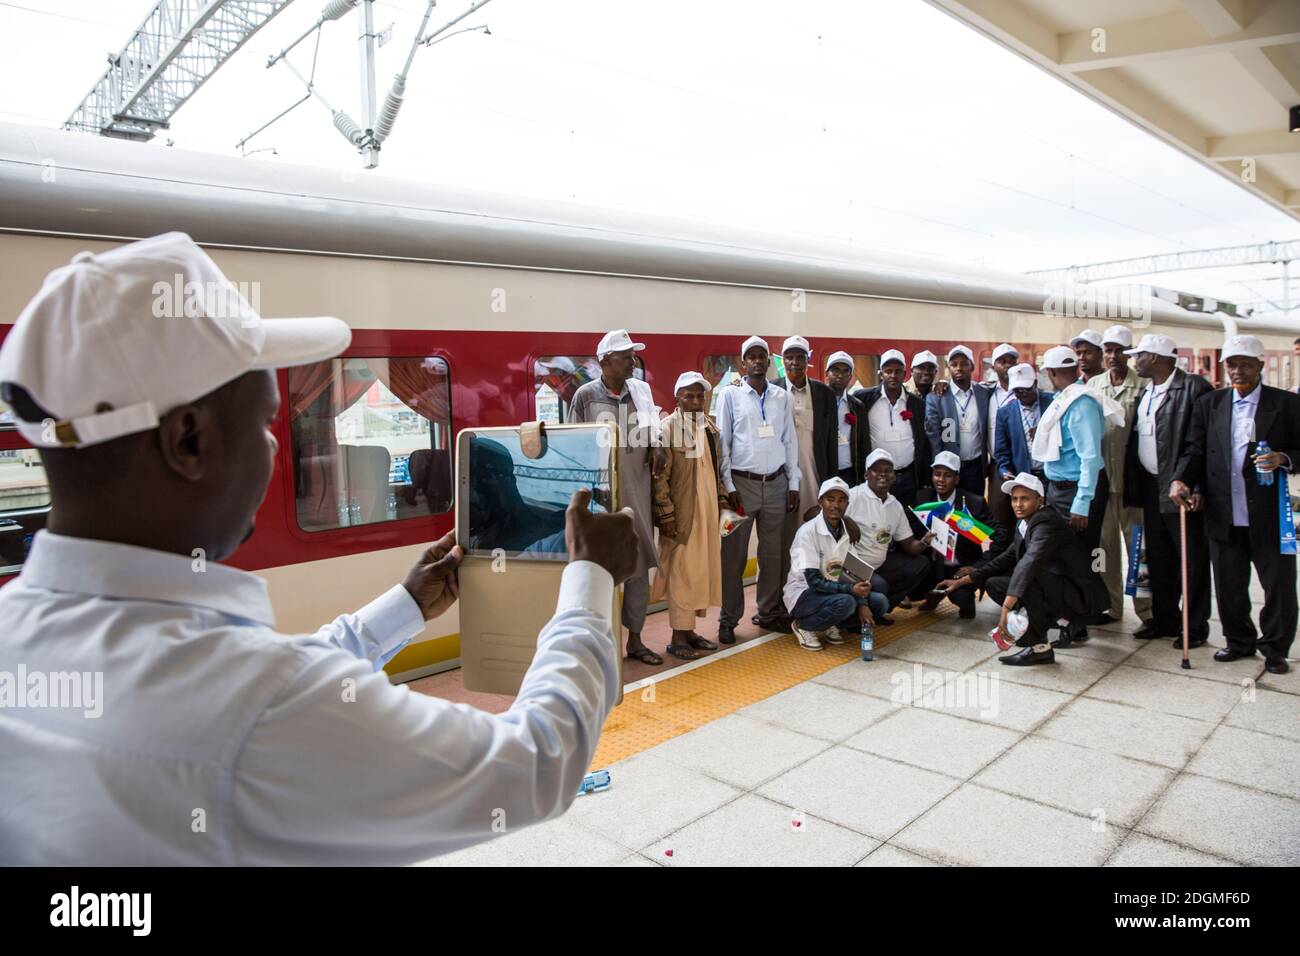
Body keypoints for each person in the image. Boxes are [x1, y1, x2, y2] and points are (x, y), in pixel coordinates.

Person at [0, 233, 636, 865]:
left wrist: (405, 607)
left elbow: (274, 681)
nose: (276, 447)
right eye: (260, 422)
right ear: (187, 442)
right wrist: (589, 580)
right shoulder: (253, 706)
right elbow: (532, 766)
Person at [1172, 335, 1300, 674]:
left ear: (1260, 365)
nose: (1237, 370)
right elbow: (1194, 450)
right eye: (1232, 364)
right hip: (1222, 509)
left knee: (1278, 585)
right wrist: (1183, 479)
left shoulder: (1287, 404)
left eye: (1245, 364)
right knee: (1229, 583)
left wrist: (1284, 458)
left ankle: (1275, 646)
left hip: (1269, 512)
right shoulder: (1210, 404)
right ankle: (1238, 640)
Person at [567, 329, 666, 666]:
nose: (632, 362)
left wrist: (658, 447)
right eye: (624, 356)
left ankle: (635, 641)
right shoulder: (584, 397)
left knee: (638, 570)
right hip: (601, 501)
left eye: (633, 356)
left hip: (638, 495)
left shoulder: (641, 395)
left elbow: (655, 438)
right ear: (604, 361)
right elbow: (574, 447)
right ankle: (601, 646)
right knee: (602, 572)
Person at [950, 473, 1108, 665]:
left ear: (1040, 500)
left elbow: (1031, 560)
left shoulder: (1046, 522)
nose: (1018, 504)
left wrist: (1008, 605)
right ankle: (1050, 632)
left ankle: (1048, 635)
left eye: (1024, 499)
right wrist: (966, 580)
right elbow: (1006, 558)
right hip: (1057, 589)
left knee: (1030, 577)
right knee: (995, 584)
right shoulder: (1024, 523)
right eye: (1014, 499)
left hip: (1080, 596)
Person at [1122, 333, 1212, 647]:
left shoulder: (1192, 388)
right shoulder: (1146, 392)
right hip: (1151, 486)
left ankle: (1195, 627)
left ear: (1156, 357)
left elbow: (1202, 443)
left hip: (1180, 488)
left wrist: (1195, 483)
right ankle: (1165, 619)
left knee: (1192, 560)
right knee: (1159, 558)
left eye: (1140, 356)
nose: (1134, 361)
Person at [715, 335, 802, 642]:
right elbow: (723, 443)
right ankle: (728, 619)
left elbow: (789, 441)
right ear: (742, 363)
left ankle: (768, 611)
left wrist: (793, 482)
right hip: (741, 485)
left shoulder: (781, 396)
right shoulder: (729, 395)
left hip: (777, 484)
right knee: (733, 557)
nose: (756, 361)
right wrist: (727, 485)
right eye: (750, 356)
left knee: (773, 555)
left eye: (761, 356)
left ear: (768, 362)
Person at [651, 372, 726, 661]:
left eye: (700, 396)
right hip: (682, 516)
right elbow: (659, 479)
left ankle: (690, 631)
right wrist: (665, 513)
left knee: (700, 572)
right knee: (682, 573)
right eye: (689, 396)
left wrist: (722, 502)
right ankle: (677, 637)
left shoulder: (710, 428)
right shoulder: (667, 429)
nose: (695, 402)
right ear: (677, 399)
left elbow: (715, 470)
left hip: (706, 514)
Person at [783, 477, 889, 651]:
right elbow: (813, 581)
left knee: (880, 603)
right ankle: (804, 625)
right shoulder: (807, 533)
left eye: (841, 500)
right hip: (804, 594)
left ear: (847, 503)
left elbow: (855, 574)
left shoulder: (846, 530)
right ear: (820, 502)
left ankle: (828, 623)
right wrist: (851, 591)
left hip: (831, 592)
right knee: (846, 602)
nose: (835, 505)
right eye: (830, 499)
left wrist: (862, 603)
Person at [1089, 325, 1150, 625]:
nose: (1113, 356)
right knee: (1104, 550)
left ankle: (1147, 611)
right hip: (1103, 483)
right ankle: (1110, 606)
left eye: (1119, 351)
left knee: (1138, 547)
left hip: (1132, 484)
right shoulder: (1093, 385)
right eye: (1108, 350)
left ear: (1129, 354)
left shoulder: (1144, 386)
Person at [912, 451, 1010, 618]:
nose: (941, 480)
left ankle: (966, 602)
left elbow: (1001, 535)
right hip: (932, 563)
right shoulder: (923, 498)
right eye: (937, 474)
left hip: (960, 566)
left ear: (956, 479)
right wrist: (922, 542)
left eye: (947, 475)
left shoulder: (973, 503)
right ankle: (933, 594)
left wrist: (978, 566)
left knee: (961, 597)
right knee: (914, 590)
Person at [846, 449, 937, 614]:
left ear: (894, 476)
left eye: (887, 470)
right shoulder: (852, 496)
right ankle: (854, 621)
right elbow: (814, 514)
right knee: (880, 586)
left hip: (878, 565)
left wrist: (924, 541)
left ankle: (882, 609)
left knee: (921, 564)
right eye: (877, 470)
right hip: (851, 565)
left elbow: (909, 545)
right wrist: (845, 519)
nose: (883, 474)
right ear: (867, 474)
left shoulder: (895, 505)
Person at [775, 335, 839, 548]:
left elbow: (830, 442)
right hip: (780, 476)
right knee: (782, 533)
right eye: (789, 357)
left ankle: (811, 578)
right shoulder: (771, 390)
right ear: (782, 360)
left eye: (800, 357)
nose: (794, 362)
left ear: (807, 360)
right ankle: (784, 580)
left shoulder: (825, 393)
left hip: (814, 475)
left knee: (813, 530)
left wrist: (830, 481)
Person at [854, 348, 929, 506]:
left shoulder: (916, 404)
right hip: (877, 477)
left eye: (898, 371)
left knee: (909, 520)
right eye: (888, 371)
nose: (893, 375)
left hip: (908, 476)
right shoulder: (863, 398)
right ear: (880, 373)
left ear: (905, 374)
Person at [924, 345, 992, 496]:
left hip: (975, 469)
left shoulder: (983, 394)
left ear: (972, 366)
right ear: (949, 368)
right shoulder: (936, 397)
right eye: (954, 364)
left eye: (964, 364)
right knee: (949, 514)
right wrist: (940, 469)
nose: (959, 368)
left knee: (974, 512)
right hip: (948, 471)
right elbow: (933, 437)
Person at [994, 363, 1053, 487]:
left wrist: (1045, 434)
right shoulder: (1004, 413)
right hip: (1023, 478)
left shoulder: (1053, 403)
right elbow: (1001, 452)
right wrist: (1004, 470)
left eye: (1027, 389)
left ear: (1035, 384)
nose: (1022, 394)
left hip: (1052, 477)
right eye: (1017, 391)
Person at [984, 343, 1022, 527]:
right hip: (998, 465)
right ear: (993, 367)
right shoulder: (986, 392)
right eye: (1002, 361)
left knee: (1023, 515)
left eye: (1011, 361)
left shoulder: (1026, 392)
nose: (1007, 365)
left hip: (1023, 462)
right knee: (999, 516)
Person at [824, 350, 868, 486]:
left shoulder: (857, 406)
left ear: (851, 376)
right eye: (835, 370)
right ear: (827, 374)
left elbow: (863, 442)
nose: (840, 376)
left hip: (849, 472)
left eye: (845, 371)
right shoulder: (817, 401)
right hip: (824, 472)